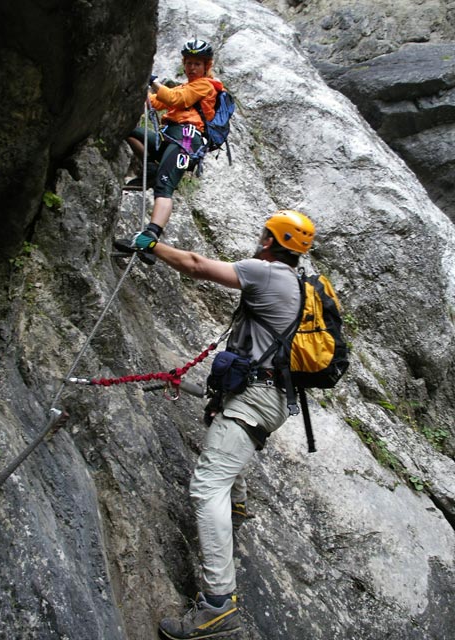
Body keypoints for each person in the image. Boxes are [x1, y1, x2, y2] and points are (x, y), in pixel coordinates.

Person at [152, 210, 316, 639]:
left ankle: (218, 607)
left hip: (256, 398)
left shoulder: (266, 273)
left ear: (270, 240)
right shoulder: (293, 283)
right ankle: (237, 507)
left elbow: (194, 265)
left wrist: (149, 243)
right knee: (225, 445)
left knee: (207, 486)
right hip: (265, 395)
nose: (258, 237)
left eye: (263, 233)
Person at [114, 39, 227, 263]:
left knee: (164, 189)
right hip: (170, 138)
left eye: (197, 63)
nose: (192, 68)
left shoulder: (206, 85)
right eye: (188, 63)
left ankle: (149, 240)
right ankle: (152, 169)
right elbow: (156, 101)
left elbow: (177, 99)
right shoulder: (184, 86)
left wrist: (153, 80)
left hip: (187, 141)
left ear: (206, 66)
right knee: (125, 129)